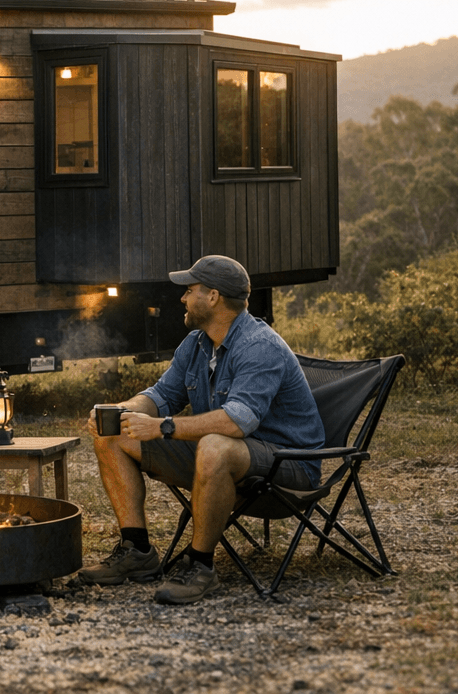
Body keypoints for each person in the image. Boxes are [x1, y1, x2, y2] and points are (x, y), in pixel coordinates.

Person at [79, 254, 325, 605]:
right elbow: (161, 395)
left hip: (286, 468)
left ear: (213, 297)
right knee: (112, 435)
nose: (182, 297)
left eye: (189, 289)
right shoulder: (196, 344)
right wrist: (122, 411)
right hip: (229, 459)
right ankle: (137, 551)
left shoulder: (259, 346)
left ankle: (200, 566)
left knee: (215, 445)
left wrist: (162, 427)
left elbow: (238, 421)